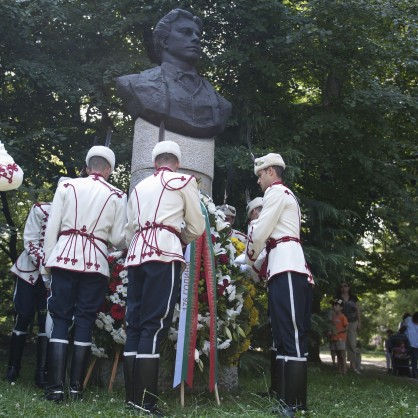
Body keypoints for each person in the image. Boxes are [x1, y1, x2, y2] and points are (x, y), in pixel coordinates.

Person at [124, 140, 205, 416]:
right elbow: (197, 225)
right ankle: (145, 402)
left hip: (135, 255)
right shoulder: (183, 181)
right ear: (177, 162)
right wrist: (179, 238)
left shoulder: (138, 188)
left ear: (155, 162)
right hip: (164, 253)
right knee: (155, 324)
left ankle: (131, 397)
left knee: (134, 323)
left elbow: (129, 229)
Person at [41, 146, 127, 402]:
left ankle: (55, 388)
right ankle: (76, 388)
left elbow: (52, 227)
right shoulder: (117, 195)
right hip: (95, 263)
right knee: (85, 320)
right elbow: (116, 238)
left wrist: (48, 263)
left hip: (64, 257)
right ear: (109, 170)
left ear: (88, 166)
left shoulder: (67, 187)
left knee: (60, 319)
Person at [244, 153, 313, 416]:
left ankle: (295, 403)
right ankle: (287, 399)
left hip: (287, 266)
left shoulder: (276, 192)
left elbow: (261, 231)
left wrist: (250, 258)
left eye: (260, 174)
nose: (259, 180)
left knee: (291, 335)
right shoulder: (281, 194)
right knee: (284, 336)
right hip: (282, 266)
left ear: (271, 171)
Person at [116, 8, 231, 139]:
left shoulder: (221, 103)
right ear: (164, 41)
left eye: (197, 35)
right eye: (186, 32)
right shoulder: (134, 84)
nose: (195, 39)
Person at [6, 199, 54, 387]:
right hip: (28, 272)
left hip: (52, 275)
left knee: (45, 321)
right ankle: (13, 367)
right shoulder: (40, 208)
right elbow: (31, 241)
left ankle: (41, 373)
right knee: (23, 315)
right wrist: (45, 266)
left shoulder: (72, 213)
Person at [335, 282, 361, 373]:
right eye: (341, 286)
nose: (343, 288)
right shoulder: (338, 298)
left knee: (352, 344)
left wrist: (359, 323)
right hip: (341, 324)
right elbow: (334, 310)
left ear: (349, 287)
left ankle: (353, 367)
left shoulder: (354, 298)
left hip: (353, 322)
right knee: (341, 345)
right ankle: (342, 367)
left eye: (345, 286)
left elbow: (358, 310)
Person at [328, 299, 348, 375]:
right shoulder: (333, 317)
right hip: (334, 339)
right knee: (338, 355)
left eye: (336, 305)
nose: (334, 307)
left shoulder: (343, 317)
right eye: (333, 305)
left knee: (342, 355)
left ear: (341, 307)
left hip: (341, 339)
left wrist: (338, 332)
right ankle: (339, 371)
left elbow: (346, 327)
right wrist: (330, 332)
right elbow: (332, 327)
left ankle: (344, 371)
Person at [405, 312, 418, 379]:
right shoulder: (408, 319)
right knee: (412, 359)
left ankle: (414, 373)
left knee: (414, 360)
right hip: (410, 344)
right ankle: (412, 373)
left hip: (416, 345)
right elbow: (403, 327)